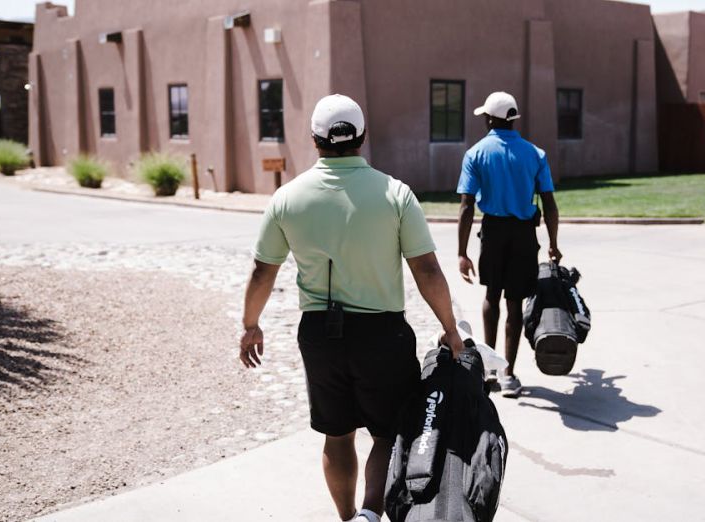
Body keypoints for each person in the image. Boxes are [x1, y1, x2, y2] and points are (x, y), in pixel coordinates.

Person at [239, 94, 464, 522]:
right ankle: (369, 513)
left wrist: (251, 324)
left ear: (314, 139)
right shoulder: (396, 194)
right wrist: (450, 329)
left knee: (336, 434)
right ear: (362, 136)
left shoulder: (287, 198)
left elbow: (261, 272)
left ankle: (348, 518)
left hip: (320, 336)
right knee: (387, 432)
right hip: (383, 334)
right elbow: (428, 270)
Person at [457, 91, 561, 398]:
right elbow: (550, 204)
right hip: (524, 234)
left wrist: (462, 253)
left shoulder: (476, 153)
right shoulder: (535, 154)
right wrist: (553, 243)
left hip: (493, 231)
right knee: (515, 301)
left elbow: (466, 206)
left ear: (490, 118)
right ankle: (509, 374)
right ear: (513, 119)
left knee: (492, 296)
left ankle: (488, 372)